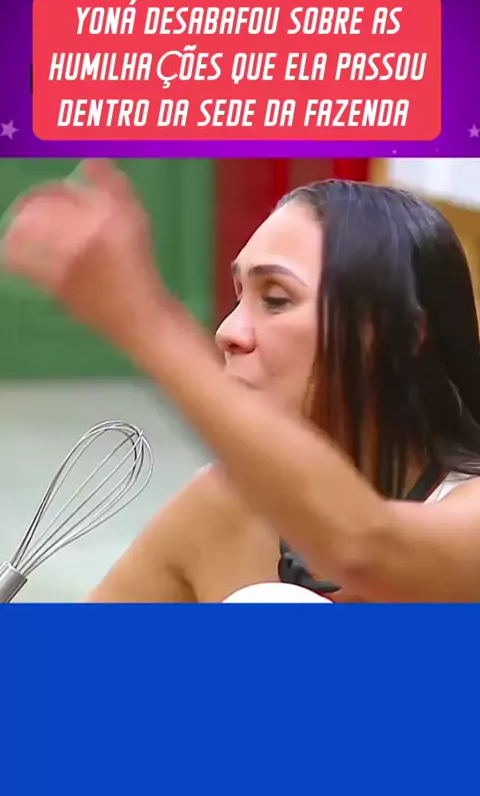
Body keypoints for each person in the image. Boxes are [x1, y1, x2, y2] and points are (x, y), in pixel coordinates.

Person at [4, 159, 480, 603]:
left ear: (399, 333)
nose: (229, 332)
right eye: (238, 296)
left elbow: (367, 551)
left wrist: (142, 320)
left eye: (276, 299)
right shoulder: (222, 503)